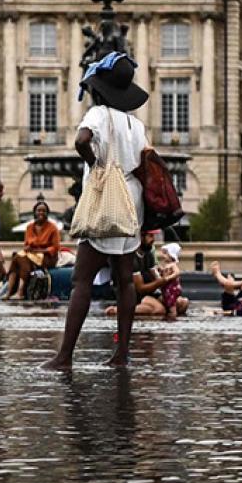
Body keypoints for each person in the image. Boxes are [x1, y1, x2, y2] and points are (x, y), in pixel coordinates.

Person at [44, 51, 150, 370]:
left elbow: (81, 141)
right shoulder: (135, 123)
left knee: (81, 279)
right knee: (125, 279)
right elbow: (145, 160)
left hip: (106, 199)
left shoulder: (99, 114)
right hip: (132, 200)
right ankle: (121, 354)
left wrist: (96, 165)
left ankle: (64, 356)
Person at [104, 229, 180, 320]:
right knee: (159, 310)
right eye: (150, 236)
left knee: (181, 303)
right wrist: (163, 281)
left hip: (149, 293)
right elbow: (140, 288)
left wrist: (165, 277)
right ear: (140, 237)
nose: (153, 239)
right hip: (134, 295)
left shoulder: (148, 253)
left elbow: (155, 275)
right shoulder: (132, 258)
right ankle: (119, 310)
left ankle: (147, 306)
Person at [6, 200, 61, 300]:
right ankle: (9, 292)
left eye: (43, 211)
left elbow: (55, 247)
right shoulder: (29, 227)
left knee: (22, 259)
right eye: (39, 210)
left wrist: (40, 251)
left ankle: (20, 292)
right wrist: (28, 248)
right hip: (32, 254)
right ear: (34, 212)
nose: (41, 213)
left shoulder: (53, 228)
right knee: (17, 258)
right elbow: (27, 243)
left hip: (47, 257)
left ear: (47, 213)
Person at [157, 242, 190, 320]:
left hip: (171, 289)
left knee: (172, 304)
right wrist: (160, 270)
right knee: (168, 302)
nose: (163, 256)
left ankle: (172, 316)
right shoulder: (167, 265)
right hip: (166, 289)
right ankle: (170, 314)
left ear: (171, 255)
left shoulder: (173, 265)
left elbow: (177, 272)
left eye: (165, 254)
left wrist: (169, 277)